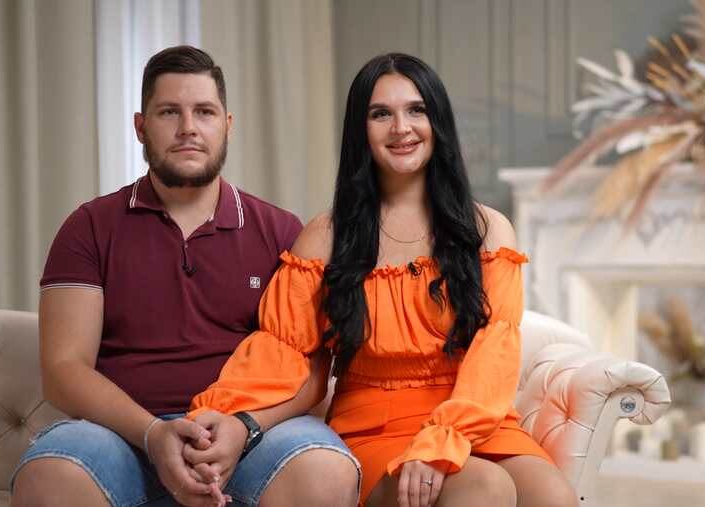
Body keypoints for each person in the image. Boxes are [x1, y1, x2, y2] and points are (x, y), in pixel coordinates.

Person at [188, 53, 578, 507]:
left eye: (416, 110)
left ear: (438, 121)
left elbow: (495, 354)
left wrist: (445, 437)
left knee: (554, 497)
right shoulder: (326, 236)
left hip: (472, 417)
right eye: (381, 114)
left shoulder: (488, 230)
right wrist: (223, 416)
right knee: (485, 487)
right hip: (376, 425)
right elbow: (284, 352)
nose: (401, 128)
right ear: (361, 129)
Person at [11, 45, 359, 507]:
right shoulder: (88, 227)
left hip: (248, 436)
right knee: (49, 477)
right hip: (123, 438)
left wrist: (245, 426)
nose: (188, 127)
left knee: (325, 470)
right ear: (141, 127)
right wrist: (153, 434)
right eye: (169, 112)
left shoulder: (280, 231)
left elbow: (312, 370)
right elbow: (63, 370)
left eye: (204, 112)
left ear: (227, 125)